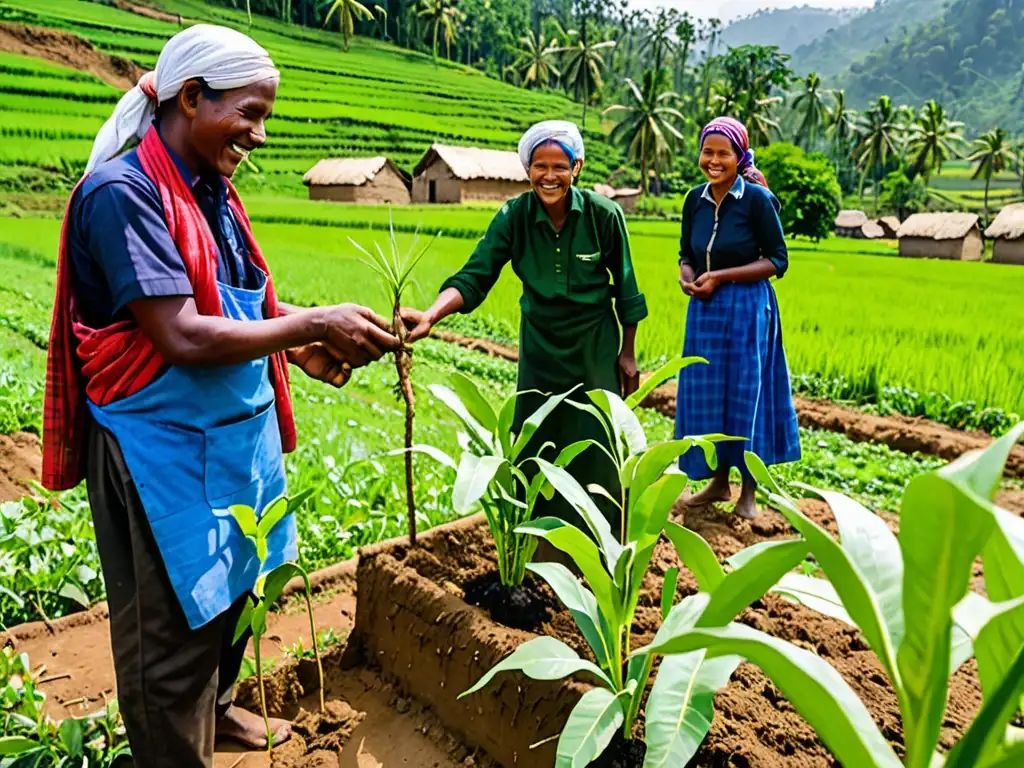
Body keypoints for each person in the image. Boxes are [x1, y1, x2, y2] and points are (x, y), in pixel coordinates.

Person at [42, 25, 399, 767]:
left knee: (235, 589)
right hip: (158, 445)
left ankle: (224, 709)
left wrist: (294, 343)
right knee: (169, 633)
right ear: (192, 97)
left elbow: (232, 304)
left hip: (229, 430)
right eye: (249, 113)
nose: (259, 134)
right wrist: (312, 320)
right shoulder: (121, 195)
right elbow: (179, 333)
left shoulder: (212, 190)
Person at [403, 121, 648, 533]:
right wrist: (431, 314)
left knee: (596, 441)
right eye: (540, 166)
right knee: (538, 440)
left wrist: (627, 354)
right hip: (540, 346)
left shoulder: (604, 215)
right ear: (527, 169)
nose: (549, 176)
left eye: (559, 166)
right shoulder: (514, 217)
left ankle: (603, 539)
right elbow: (475, 275)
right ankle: (543, 539)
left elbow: (626, 287)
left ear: (577, 167)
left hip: (594, 345)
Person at [675, 116, 800, 520]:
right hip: (705, 310)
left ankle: (749, 489)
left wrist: (721, 276)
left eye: (722, 153)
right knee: (707, 396)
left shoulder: (757, 201)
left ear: (738, 156)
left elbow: (777, 260)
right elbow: (686, 252)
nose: (713, 160)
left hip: (747, 307)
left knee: (747, 394)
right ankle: (716, 480)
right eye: (707, 152)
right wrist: (687, 275)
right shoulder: (694, 200)